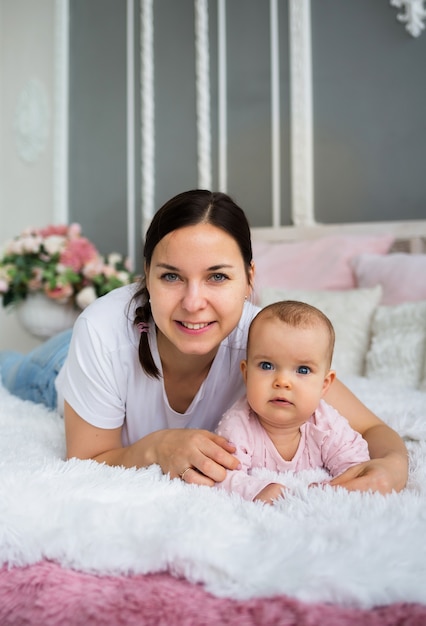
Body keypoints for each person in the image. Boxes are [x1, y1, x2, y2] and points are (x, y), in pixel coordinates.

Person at [0, 189, 407, 494]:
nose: (194, 304)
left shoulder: (263, 340)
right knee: (10, 368)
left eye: (217, 276)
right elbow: (87, 461)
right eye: (172, 276)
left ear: (249, 278)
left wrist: (392, 466)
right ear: (146, 275)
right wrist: (157, 448)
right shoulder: (102, 332)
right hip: (58, 363)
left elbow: (370, 427)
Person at [214, 300, 370, 504]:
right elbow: (223, 477)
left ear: (324, 384)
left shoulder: (326, 423)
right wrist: (258, 490)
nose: (282, 382)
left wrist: (330, 491)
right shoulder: (238, 425)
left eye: (303, 370)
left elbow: (356, 466)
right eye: (267, 365)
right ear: (246, 373)